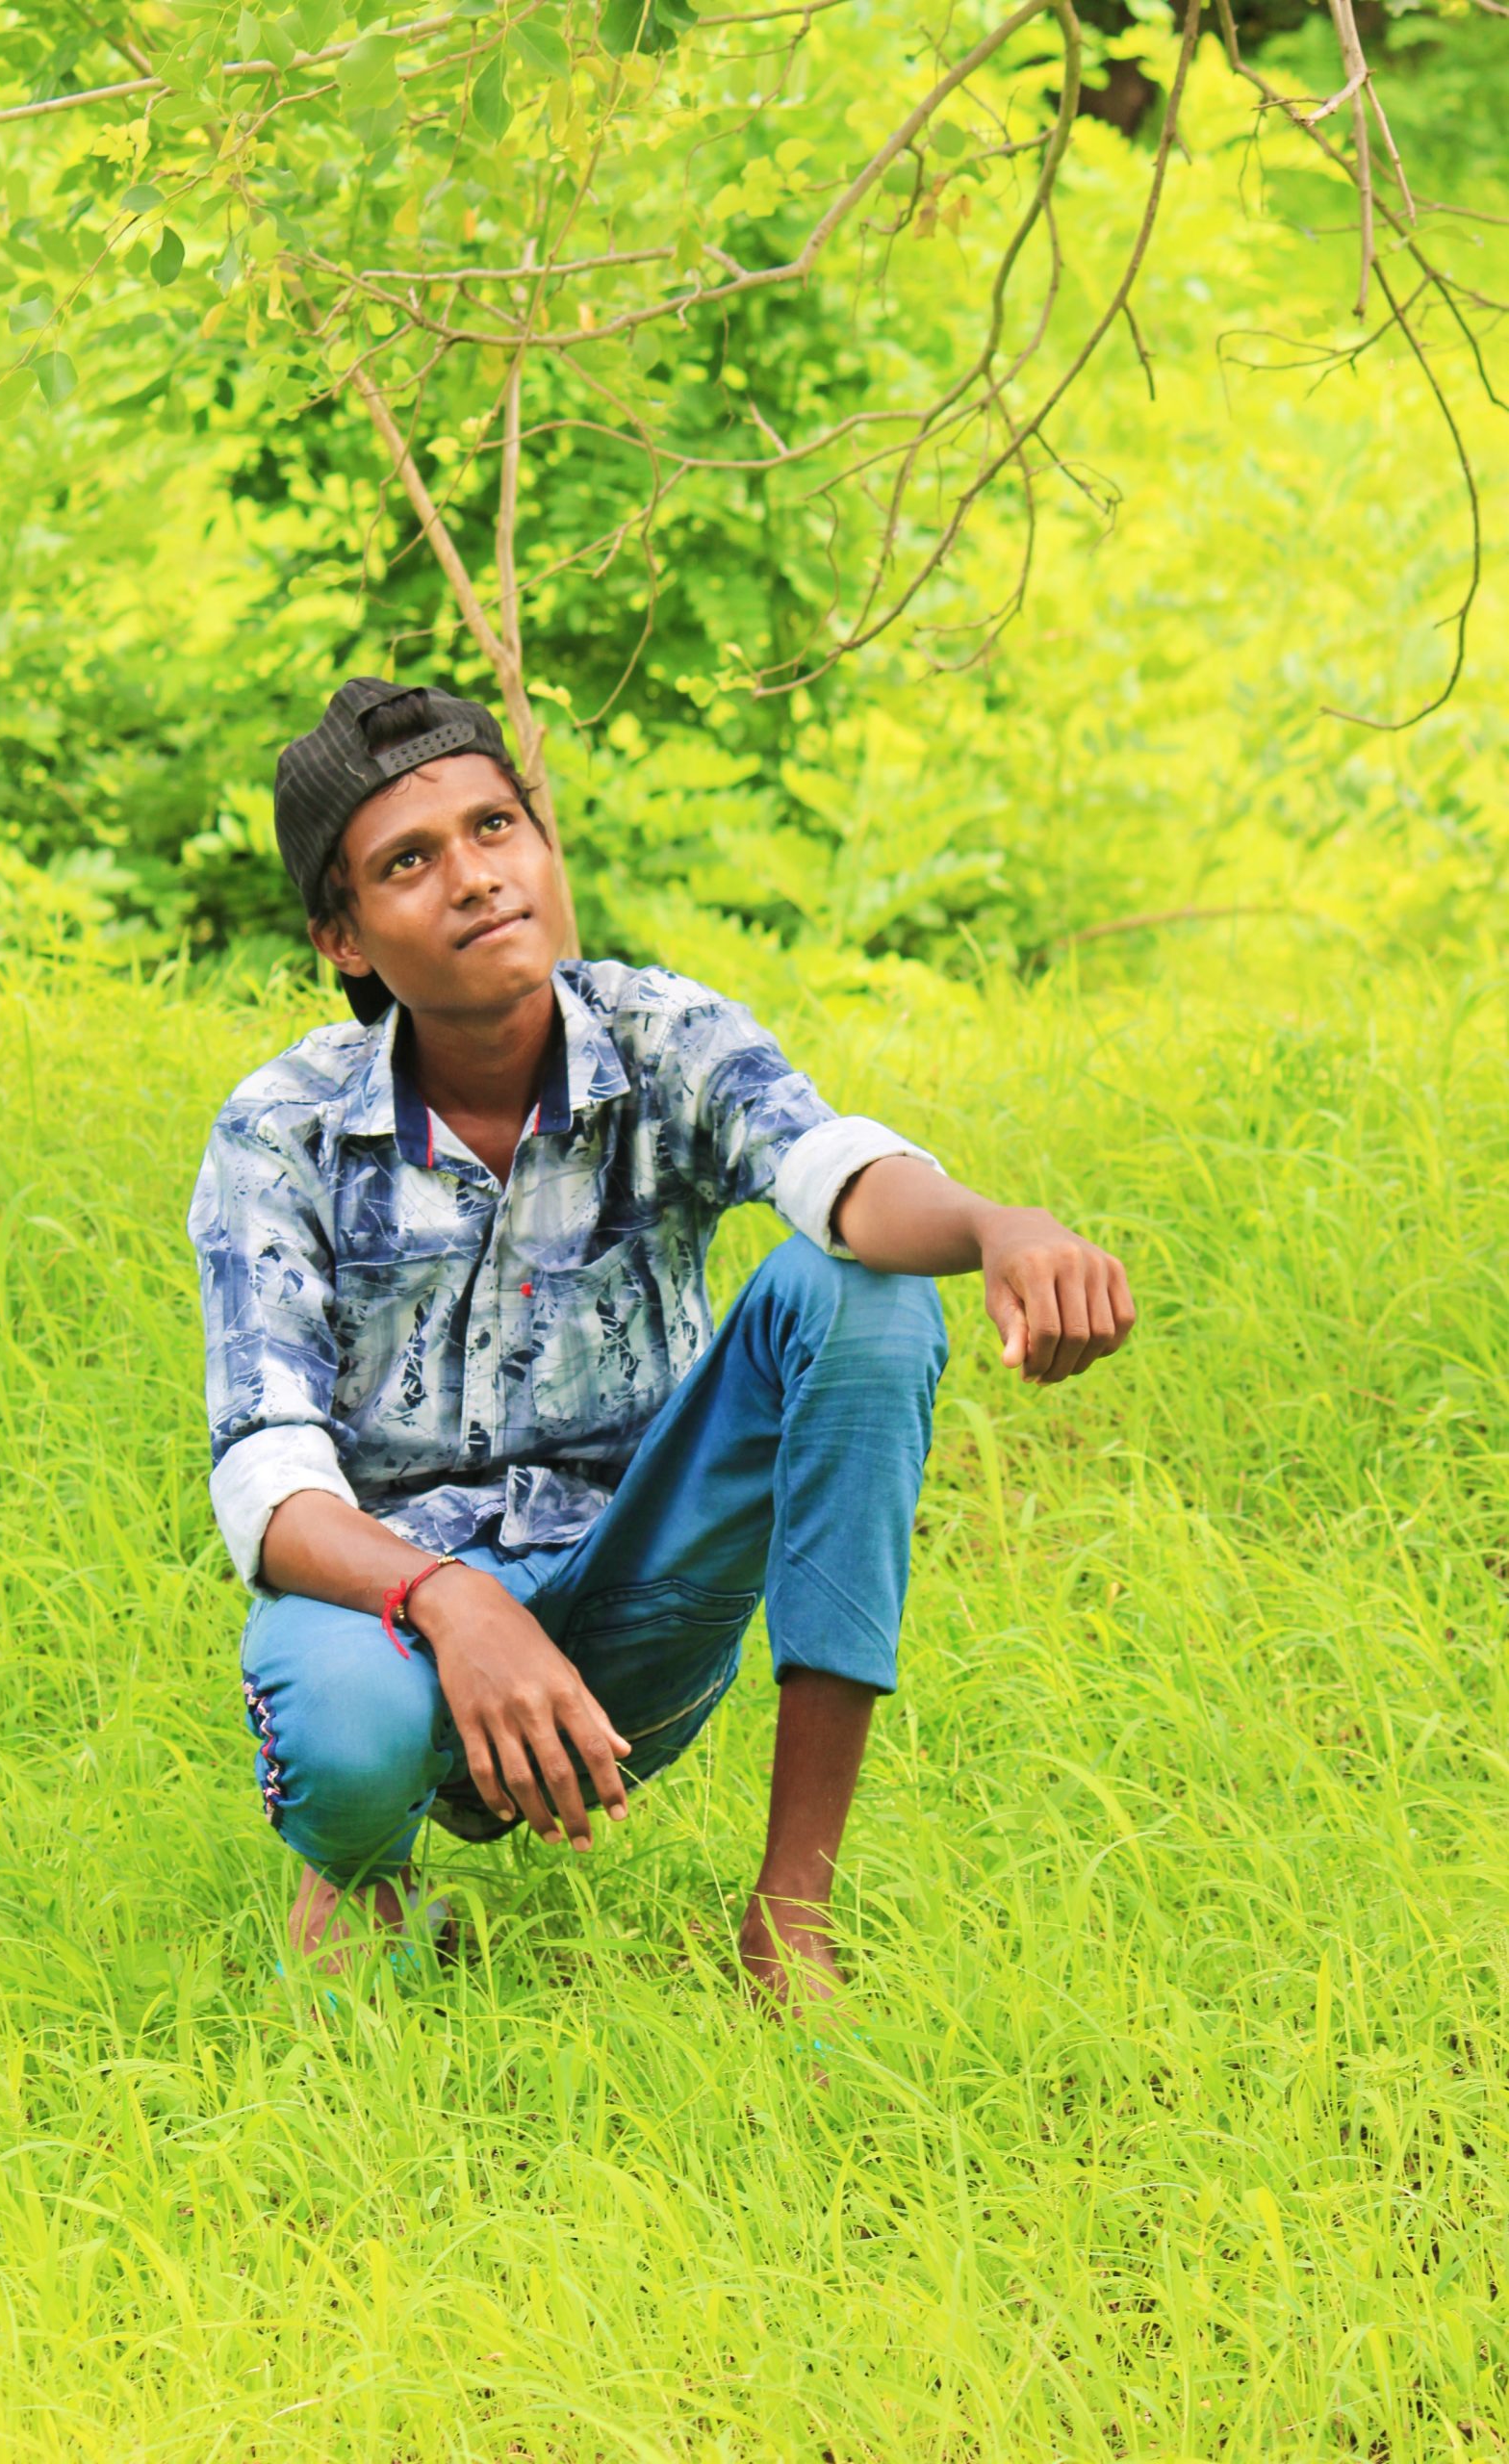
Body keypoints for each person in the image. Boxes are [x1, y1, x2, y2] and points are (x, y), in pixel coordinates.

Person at [187, 679, 1136, 2011]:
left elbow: (831, 1171)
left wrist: (993, 1223)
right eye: (410, 862)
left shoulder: (660, 1035)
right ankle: (360, 1878)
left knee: (863, 1293)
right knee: (344, 1726)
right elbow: (266, 1482)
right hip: (398, 1633)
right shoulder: (280, 1129)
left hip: (634, 1613)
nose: (474, 879)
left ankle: (788, 1921)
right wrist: (453, 1601)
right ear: (342, 937)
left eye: (496, 827)